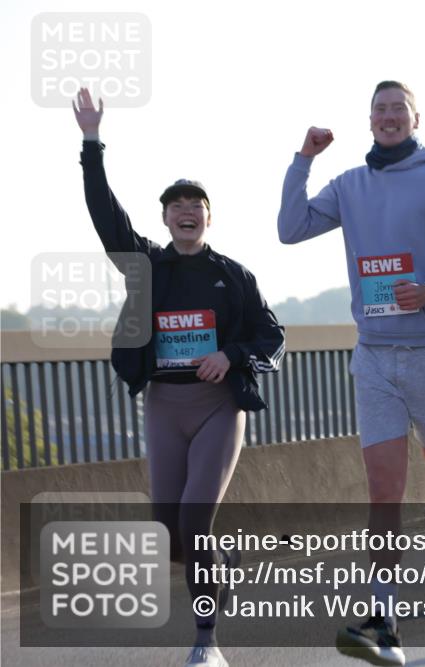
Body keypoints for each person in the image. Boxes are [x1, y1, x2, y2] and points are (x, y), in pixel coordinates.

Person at [277, 81, 425, 666]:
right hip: (375, 355)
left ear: (414, 119)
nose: (387, 118)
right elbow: (290, 227)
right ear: (370, 120)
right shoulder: (352, 185)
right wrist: (303, 159)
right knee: (384, 491)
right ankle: (384, 619)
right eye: (378, 110)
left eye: (396, 110)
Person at [73, 88, 285, 667]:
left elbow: (272, 336)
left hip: (218, 406)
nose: (186, 211)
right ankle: (222, 562)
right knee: (171, 533)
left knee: (195, 518)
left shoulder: (233, 275)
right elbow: (104, 217)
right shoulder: (146, 267)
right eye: (175, 206)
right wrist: (91, 143)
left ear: (208, 216)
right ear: (165, 218)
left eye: (195, 204)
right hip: (164, 406)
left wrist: (233, 356)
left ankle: (206, 641)